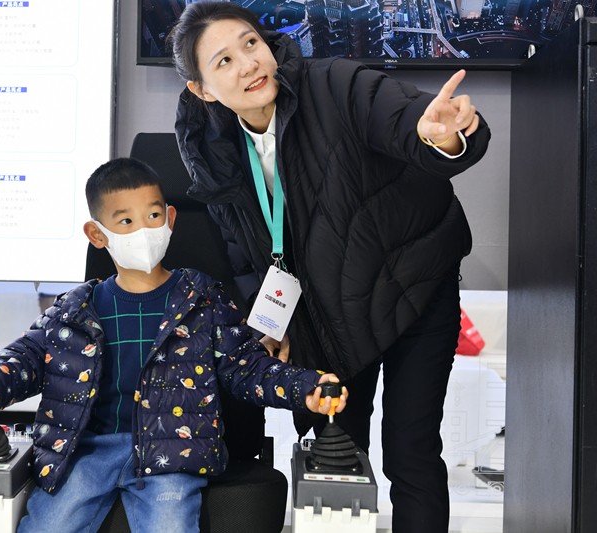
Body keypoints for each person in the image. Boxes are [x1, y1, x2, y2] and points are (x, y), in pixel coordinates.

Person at [167, 3, 491, 532]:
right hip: (329, 314)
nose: (248, 64)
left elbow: (410, 122)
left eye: (251, 44)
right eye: (224, 60)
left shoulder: (335, 84)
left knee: (410, 450)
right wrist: (269, 323)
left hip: (413, 289)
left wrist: (443, 136)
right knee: (337, 454)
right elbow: (242, 247)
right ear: (201, 89)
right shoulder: (211, 145)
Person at [0, 157, 348, 533]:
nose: (143, 230)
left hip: (170, 452)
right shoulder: (74, 310)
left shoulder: (202, 301)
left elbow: (248, 366)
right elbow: (26, 357)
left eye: (153, 216)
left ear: (170, 219)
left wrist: (306, 386)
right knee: (48, 526)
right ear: (97, 234)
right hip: (87, 451)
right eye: (126, 221)